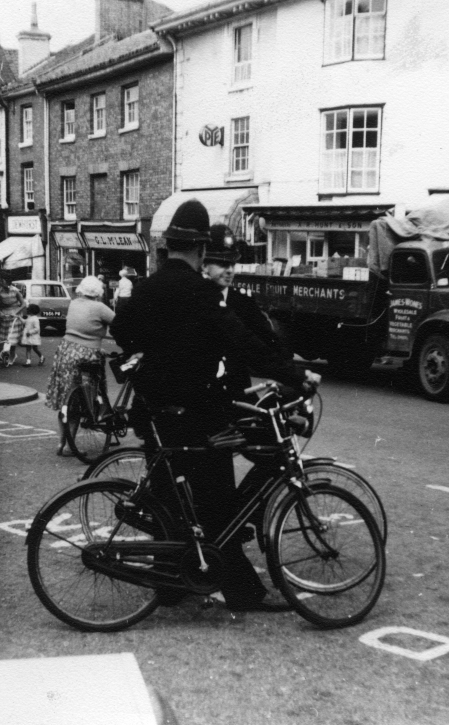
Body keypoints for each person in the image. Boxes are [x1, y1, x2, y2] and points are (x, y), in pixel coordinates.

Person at [111, 199, 320, 612]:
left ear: (168, 246)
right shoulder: (200, 292)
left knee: (172, 501)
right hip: (197, 410)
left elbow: (122, 330)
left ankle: (171, 586)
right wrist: (296, 375)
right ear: (201, 250)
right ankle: (241, 592)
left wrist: (157, 353)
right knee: (218, 500)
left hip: (156, 410)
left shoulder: (148, 287)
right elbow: (244, 344)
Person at [203, 223, 292, 401]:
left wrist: (290, 372)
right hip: (202, 397)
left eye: (232, 264)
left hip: (238, 393)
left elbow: (268, 341)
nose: (229, 270)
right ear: (204, 265)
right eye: (222, 264)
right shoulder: (194, 298)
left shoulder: (243, 302)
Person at [45, 275, 115, 456]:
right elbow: (120, 324)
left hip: (66, 351)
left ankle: (61, 443)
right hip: (87, 354)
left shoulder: (74, 303)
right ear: (98, 292)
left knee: (65, 398)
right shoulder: (100, 307)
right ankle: (70, 446)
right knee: (81, 400)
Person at [0, 271, 26, 366]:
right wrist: (1, 313)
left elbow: (23, 304)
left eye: (2, 281)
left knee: (12, 339)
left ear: (5, 281)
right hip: (4, 317)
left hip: (15, 317)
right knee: (4, 339)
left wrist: (16, 312)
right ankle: (5, 355)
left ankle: (12, 355)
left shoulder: (15, 290)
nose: (1, 282)